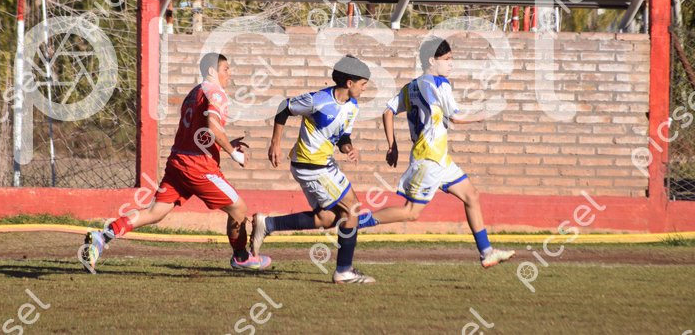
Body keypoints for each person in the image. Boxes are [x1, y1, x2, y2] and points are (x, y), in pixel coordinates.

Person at [79, 53, 271, 273]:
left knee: (155, 212)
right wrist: (234, 153)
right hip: (197, 167)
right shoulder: (216, 92)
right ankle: (241, 258)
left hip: (178, 162)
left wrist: (223, 144)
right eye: (226, 69)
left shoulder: (194, 93)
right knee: (239, 208)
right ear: (212, 71)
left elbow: (198, 133)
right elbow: (212, 126)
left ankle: (102, 237)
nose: (230, 74)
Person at [356, 37, 515, 268]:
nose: (451, 63)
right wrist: (482, 115)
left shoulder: (411, 86)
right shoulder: (440, 84)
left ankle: (487, 252)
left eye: (452, 58)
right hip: (429, 159)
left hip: (440, 159)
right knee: (411, 212)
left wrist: (392, 145)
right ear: (432, 61)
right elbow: (456, 117)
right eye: (447, 59)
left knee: (471, 195)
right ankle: (356, 222)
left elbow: (388, 111)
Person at [251, 55, 375, 284]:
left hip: (323, 164)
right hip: (312, 165)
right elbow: (284, 108)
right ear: (349, 83)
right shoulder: (318, 100)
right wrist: (275, 143)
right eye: (363, 83)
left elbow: (342, 136)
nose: (365, 88)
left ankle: (268, 224)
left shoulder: (352, 106)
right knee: (352, 211)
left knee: (326, 218)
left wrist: (348, 147)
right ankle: (344, 271)